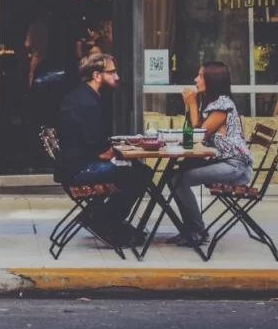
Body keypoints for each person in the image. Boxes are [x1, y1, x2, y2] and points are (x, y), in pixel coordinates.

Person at [58, 53, 153, 247]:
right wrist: (123, 151)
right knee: (138, 174)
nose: (117, 77)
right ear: (97, 75)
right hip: (80, 170)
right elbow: (102, 152)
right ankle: (104, 221)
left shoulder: (83, 96)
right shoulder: (87, 103)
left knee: (137, 171)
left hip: (74, 166)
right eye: (112, 72)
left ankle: (108, 221)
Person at [170, 61, 253, 246]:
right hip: (222, 161)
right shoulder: (211, 103)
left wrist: (191, 104)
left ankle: (197, 230)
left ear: (212, 80)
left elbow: (199, 135)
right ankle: (189, 229)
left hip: (235, 165)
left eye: (200, 76)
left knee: (179, 179)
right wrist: (191, 106)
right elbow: (192, 132)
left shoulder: (222, 105)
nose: (195, 80)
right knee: (175, 176)